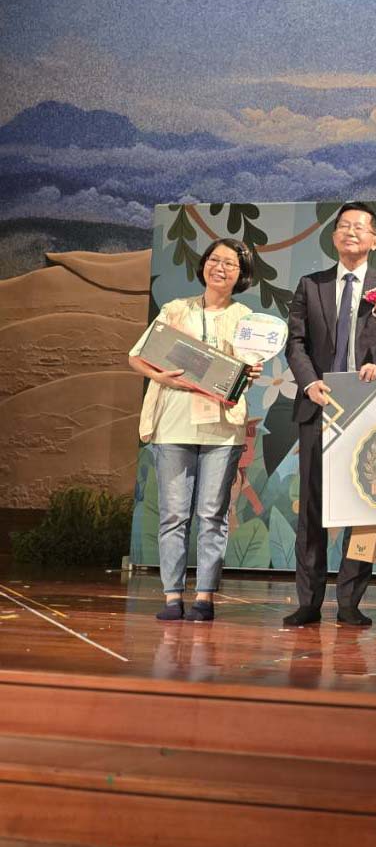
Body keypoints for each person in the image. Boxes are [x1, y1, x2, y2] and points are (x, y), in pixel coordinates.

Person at [283, 202, 376, 628]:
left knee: (362, 507)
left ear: (375, 240)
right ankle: (308, 601)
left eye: (360, 227)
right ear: (334, 237)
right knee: (312, 509)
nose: (350, 232)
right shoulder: (311, 285)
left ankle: (351, 601)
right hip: (318, 406)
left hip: (367, 409)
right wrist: (308, 382)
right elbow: (295, 343)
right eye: (343, 226)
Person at [128, 239, 261, 622]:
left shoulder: (246, 319)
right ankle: (172, 596)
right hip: (174, 424)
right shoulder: (175, 309)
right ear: (203, 265)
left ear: (241, 274)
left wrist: (250, 371)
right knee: (173, 514)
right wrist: (161, 376)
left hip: (222, 428)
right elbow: (136, 356)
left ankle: (204, 597)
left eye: (231, 264)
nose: (221, 268)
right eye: (215, 260)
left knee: (213, 514)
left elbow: (250, 367)